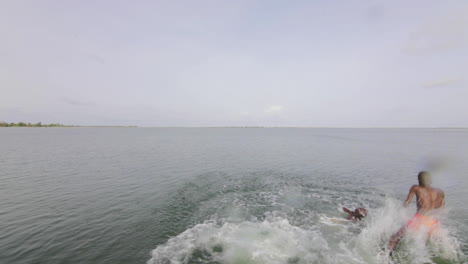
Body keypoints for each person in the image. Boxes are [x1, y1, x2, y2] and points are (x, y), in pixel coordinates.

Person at [388, 171, 445, 254]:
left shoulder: (416, 188)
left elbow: (407, 203)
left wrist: (400, 212)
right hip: (433, 222)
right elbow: (442, 210)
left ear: (419, 180)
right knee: (429, 243)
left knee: (395, 238)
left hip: (420, 219)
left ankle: (386, 257)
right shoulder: (440, 192)